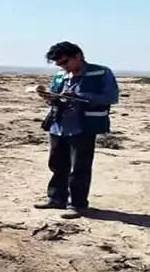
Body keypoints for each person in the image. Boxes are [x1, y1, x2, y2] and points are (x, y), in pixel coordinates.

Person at [34, 41, 120, 219]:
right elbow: (56, 98)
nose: (62, 67)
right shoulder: (60, 76)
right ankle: (56, 198)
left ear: (78, 56)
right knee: (57, 164)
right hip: (59, 126)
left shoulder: (101, 72)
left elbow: (111, 97)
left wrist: (80, 96)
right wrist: (49, 97)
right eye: (59, 64)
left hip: (84, 126)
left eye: (65, 62)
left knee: (79, 167)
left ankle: (78, 204)